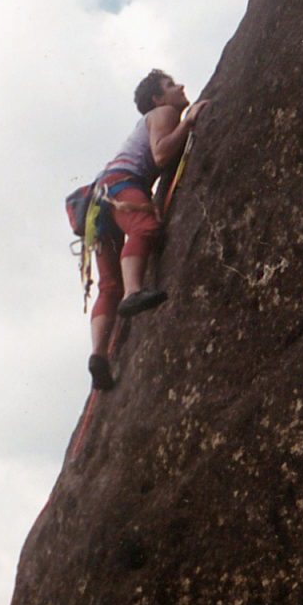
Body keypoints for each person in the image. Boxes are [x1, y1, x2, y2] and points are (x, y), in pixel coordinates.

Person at [88, 70, 208, 390]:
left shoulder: (155, 115)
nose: (180, 86)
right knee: (144, 228)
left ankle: (98, 356)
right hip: (121, 185)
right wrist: (189, 121)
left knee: (108, 285)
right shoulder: (165, 112)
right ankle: (135, 293)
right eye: (170, 85)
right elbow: (160, 153)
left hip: (98, 201)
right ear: (157, 98)